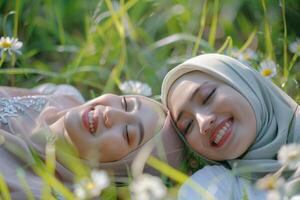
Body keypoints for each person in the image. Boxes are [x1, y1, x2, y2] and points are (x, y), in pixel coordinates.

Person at [0, 84, 184, 199]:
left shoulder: (32, 191)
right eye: (126, 103)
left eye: (128, 133)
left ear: (119, 171)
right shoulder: (65, 100)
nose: (111, 113)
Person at [161, 53, 300, 199]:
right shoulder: (212, 187)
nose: (203, 122)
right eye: (188, 126)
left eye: (208, 96)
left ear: (245, 84)